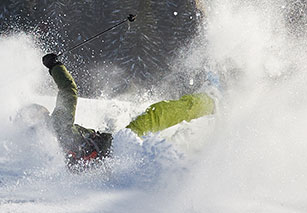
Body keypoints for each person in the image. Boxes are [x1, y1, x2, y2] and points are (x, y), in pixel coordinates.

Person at [40, 53, 215, 169]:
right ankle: (211, 102)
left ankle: (194, 155)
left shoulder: (44, 150)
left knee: (159, 142)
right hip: (117, 149)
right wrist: (55, 66)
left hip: (113, 162)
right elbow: (69, 90)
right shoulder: (57, 126)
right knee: (158, 113)